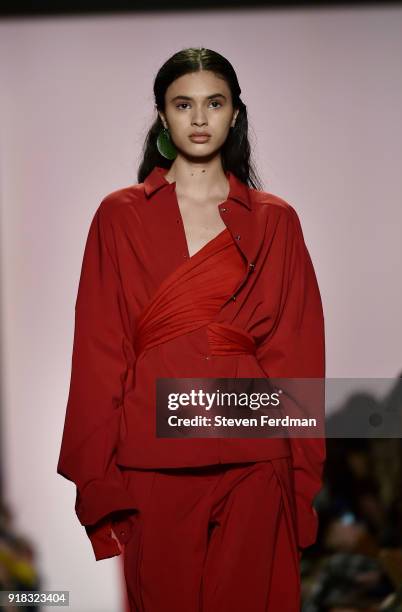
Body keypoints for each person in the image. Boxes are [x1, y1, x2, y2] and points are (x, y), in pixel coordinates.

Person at [57, 47, 326, 612]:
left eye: (214, 103)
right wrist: (96, 474)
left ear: (234, 114)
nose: (200, 119)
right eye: (184, 104)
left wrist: (302, 477)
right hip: (155, 455)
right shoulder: (121, 215)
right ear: (163, 116)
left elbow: (295, 354)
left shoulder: (275, 219)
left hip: (255, 454)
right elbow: (102, 348)